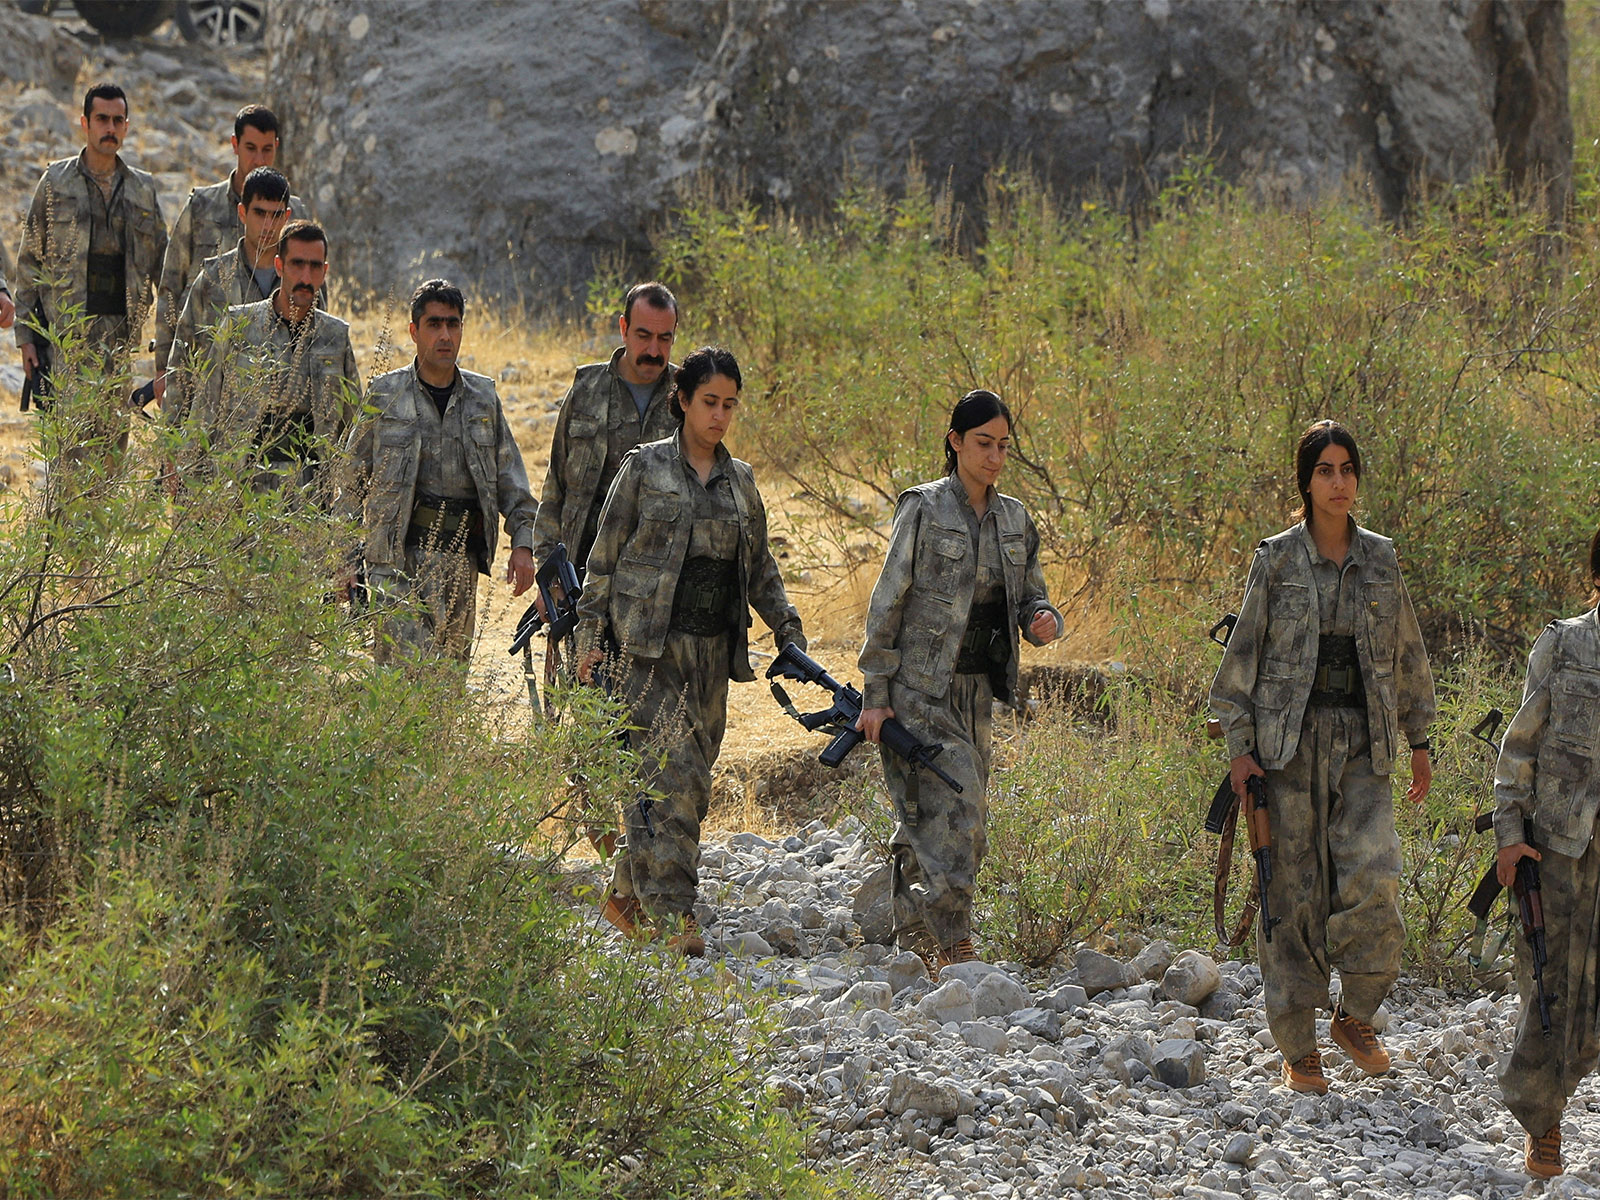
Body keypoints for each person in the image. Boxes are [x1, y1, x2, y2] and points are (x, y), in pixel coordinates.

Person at [1209, 418, 1436, 1095]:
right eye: (1325, 471)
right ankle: (1299, 1046)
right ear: (1306, 484)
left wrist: (1420, 740)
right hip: (1289, 746)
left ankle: (1355, 1014)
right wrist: (1240, 751)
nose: (1339, 482)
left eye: (1347, 469)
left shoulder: (1382, 559)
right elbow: (1240, 661)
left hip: (1365, 743)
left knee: (1376, 876)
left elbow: (1408, 652)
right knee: (1291, 892)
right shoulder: (1277, 559)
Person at [575, 346, 804, 956]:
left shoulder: (741, 481)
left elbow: (760, 566)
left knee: (692, 784)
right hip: (648, 654)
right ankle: (673, 917)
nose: (720, 415)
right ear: (682, 400)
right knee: (668, 777)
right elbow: (603, 559)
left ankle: (627, 893)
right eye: (709, 402)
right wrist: (589, 639)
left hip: (712, 655)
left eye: (729, 405)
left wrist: (787, 628)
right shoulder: (644, 468)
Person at [854, 389, 1062, 973]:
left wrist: (1043, 618)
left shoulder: (1015, 518)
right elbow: (887, 603)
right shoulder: (922, 508)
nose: (994, 457)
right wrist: (876, 695)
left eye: (1003, 446)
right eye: (982, 444)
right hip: (920, 690)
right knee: (961, 806)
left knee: (932, 811)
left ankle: (912, 932)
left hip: (977, 690)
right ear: (955, 442)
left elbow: (1032, 594)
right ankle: (954, 939)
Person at [340, 279, 537, 665]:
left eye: (453, 324)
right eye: (434, 324)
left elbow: (512, 481)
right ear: (414, 331)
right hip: (396, 565)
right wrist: (344, 557)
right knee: (401, 681)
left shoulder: (483, 399)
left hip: (459, 564)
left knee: (447, 684)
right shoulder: (385, 394)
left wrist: (523, 544)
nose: (445, 335)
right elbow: (348, 481)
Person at [1491, 526, 1600, 1179]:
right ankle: (1543, 1125)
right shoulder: (1564, 644)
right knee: (1548, 985)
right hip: (1558, 848)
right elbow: (1520, 745)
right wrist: (1510, 832)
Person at [13, 82, 166, 437]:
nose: (110, 128)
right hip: (66, 340)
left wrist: (171, 340)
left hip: (119, 338)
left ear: (126, 126)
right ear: (85, 123)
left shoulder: (142, 188)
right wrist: (26, 337)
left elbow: (165, 266)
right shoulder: (55, 182)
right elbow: (29, 261)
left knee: (112, 446)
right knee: (68, 447)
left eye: (117, 120)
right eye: (102, 119)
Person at [184, 220, 359, 499]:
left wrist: (349, 500)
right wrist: (192, 486)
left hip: (311, 495)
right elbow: (205, 408)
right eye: (297, 264)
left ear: (325, 271)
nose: (306, 277)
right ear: (279, 266)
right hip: (241, 491)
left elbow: (354, 429)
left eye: (315, 267)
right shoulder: (239, 325)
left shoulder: (335, 337)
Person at [531, 280, 680, 589]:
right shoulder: (587, 389)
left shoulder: (687, 398)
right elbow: (555, 487)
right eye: (643, 336)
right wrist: (548, 576)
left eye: (664, 338)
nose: (654, 351)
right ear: (624, 328)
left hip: (658, 583)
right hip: (582, 575)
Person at [155, 104, 305, 400]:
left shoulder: (294, 212)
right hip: (208, 365)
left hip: (274, 369)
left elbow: (310, 288)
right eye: (250, 148)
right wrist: (163, 366)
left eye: (267, 150)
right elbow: (171, 284)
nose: (258, 159)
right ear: (235, 145)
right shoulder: (202, 206)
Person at [164, 166, 293, 423]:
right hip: (219, 428)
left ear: (287, 216)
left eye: (276, 215)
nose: (268, 225)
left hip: (282, 430)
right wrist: (173, 433)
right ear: (242, 213)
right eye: (260, 213)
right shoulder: (213, 279)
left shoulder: (299, 281)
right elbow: (182, 361)